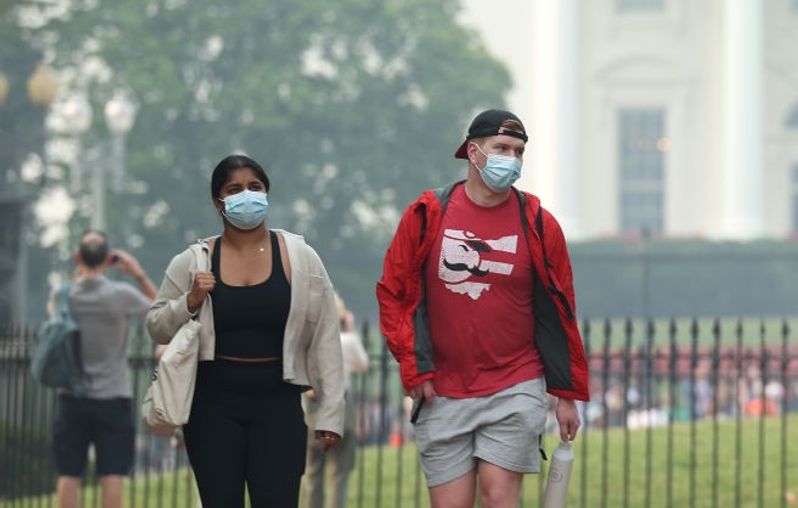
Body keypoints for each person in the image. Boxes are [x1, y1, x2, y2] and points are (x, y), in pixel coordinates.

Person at [377, 109, 589, 508]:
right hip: (442, 389)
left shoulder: (541, 225)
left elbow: (563, 310)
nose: (512, 159)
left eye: (520, 151)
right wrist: (414, 366)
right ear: (473, 152)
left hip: (515, 383)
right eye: (502, 148)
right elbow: (395, 294)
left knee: (498, 497)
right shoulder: (426, 215)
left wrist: (566, 393)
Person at [146, 154, 346, 508]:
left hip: (278, 404)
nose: (246, 196)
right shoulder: (194, 260)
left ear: (267, 194)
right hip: (212, 407)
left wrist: (331, 411)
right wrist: (190, 300)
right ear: (217, 202)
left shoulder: (299, 257)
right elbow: (156, 327)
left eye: (254, 187)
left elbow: (326, 337)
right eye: (234, 189)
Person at [51, 230, 157, 508]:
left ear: (78, 257)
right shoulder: (121, 295)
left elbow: (56, 319)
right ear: (109, 259)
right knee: (111, 474)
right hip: (112, 397)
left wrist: (80, 272)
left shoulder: (63, 295)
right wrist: (138, 273)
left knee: (69, 473)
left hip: (71, 395)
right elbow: (161, 311)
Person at [301, 296, 370, 508]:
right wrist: (350, 330)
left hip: (312, 410)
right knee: (340, 474)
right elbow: (363, 364)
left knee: (313, 474)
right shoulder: (345, 341)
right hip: (341, 405)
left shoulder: (306, 341)